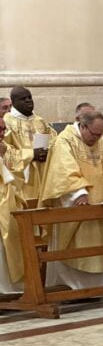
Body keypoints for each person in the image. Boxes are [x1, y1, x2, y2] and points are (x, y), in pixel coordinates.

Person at [38, 110, 103, 289]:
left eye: (101, 134)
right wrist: (78, 192)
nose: (97, 138)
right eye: (94, 134)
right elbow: (63, 169)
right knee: (76, 245)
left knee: (97, 244)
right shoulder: (65, 141)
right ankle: (71, 287)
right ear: (83, 126)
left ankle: (99, 286)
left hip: (100, 205)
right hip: (75, 202)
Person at [2, 87, 58, 202]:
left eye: (29, 97)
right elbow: (5, 151)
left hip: (44, 173)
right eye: (23, 99)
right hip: (22, 178)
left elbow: (55, 141)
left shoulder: (40, 121)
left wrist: (47, 152)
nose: (28, 100)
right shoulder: (6, 121)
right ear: (14, 103)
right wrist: (32, 154)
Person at [0, 117, 25, 292]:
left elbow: (19, 177)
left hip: (8, 204)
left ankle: (10, 291)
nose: (3, 134)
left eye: (3, 129)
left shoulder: (8, 150)